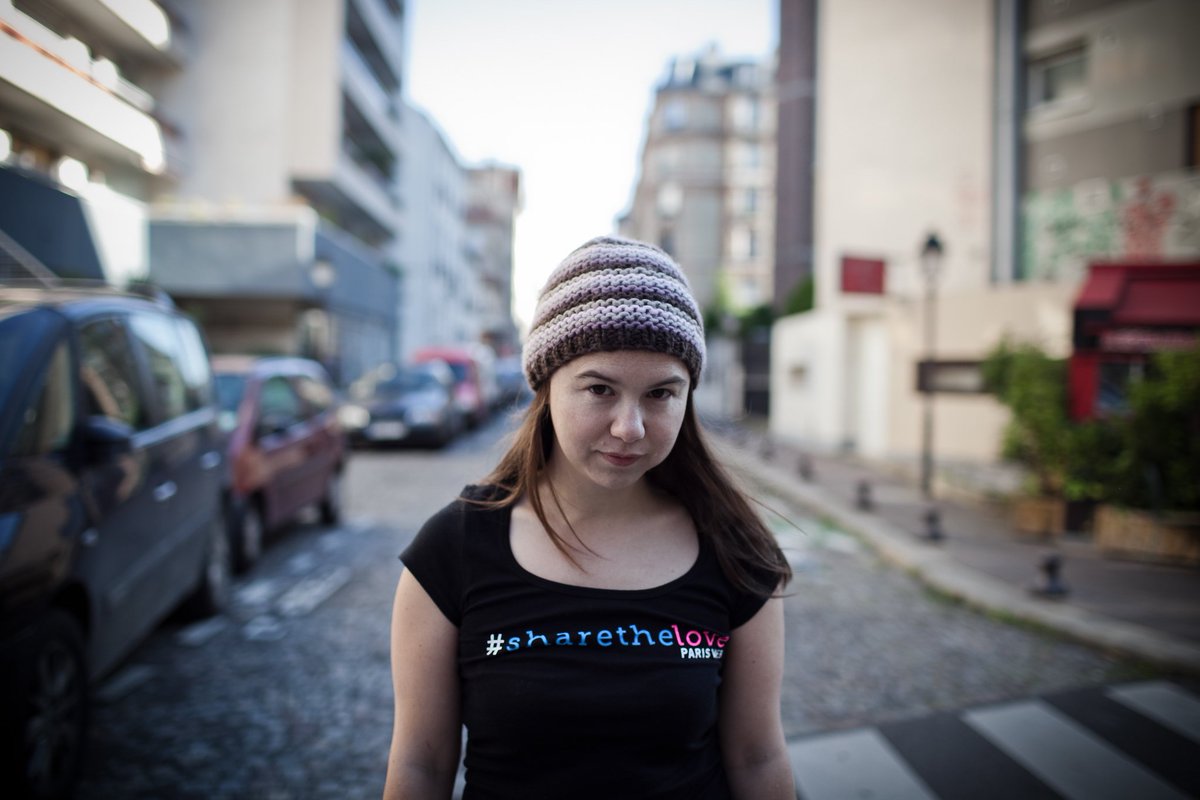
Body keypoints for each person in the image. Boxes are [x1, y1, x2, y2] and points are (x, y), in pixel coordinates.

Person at [383, 236, 794, 799]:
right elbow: (420, 764)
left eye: (661, 394)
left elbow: (758, 757)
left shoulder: (736, 552)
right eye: (600, 389)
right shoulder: (454, 548)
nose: (630, 427)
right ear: (546, 387)